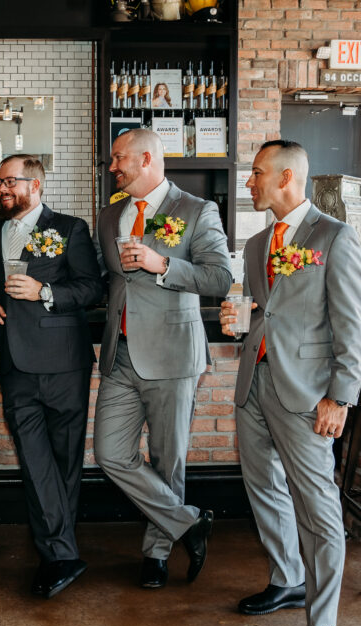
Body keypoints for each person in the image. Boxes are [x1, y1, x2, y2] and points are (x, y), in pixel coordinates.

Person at [220, 139, 361, 626]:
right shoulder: (258, 243)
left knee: (317, 505)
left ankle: (323, 624)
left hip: (309, 394)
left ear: (286, 177)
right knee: (263, 486)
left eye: (256, 173)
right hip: (254, 385)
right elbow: (269, 309)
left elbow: (354, 325)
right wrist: (243, 320)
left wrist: (340, 397)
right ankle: (286, 580)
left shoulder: (335, 237)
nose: (249, 182)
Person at [94, 128, 232, 589]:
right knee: (110, 454)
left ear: (146, 158)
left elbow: (219, 277)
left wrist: (163, 265)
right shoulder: (109, 215)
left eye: (118, 158)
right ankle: (190, 523)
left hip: (173, 354)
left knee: (166, 458)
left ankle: (156, 553)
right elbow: (109, 281)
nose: (112, 166)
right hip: (121, 352)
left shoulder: (196, 210)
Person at [0, 155, 104, 598]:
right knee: (33, 459)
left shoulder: (69, 228)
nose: (2, 189)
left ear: (36, 184)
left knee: (66, 460)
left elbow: (92, 287)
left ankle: (57, 551)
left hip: (64, 361)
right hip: (14, 362)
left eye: (10, 181)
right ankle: (61, 554)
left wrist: (45, 291)